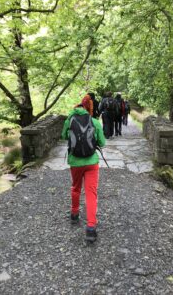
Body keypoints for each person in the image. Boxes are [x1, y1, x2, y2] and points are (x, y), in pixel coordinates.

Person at [61, 102, 105, 243]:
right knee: (91, 193)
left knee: (76, 188)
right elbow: (102, 142)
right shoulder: (94, 122)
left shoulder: (69, 120)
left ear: (76, 109)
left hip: (75, 162)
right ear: (87, 110)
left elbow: (63, 136)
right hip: (92, 162)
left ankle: (74, 214)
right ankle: (91, 228)